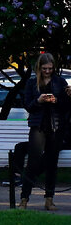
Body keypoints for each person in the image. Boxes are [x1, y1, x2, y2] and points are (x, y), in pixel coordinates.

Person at [20, 52, 71, 210]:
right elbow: (28, 105)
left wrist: (60, 100)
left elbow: (66, 108)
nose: (47, 71)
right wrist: (39, 101)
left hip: (56, 126)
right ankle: (24, 198)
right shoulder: (32, 83)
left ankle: (49, 199)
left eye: (50, 68)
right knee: (33, 161)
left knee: (51, 163)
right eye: (44, 68)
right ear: (39, 68)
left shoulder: (60, 82)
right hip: (38, 126)